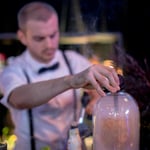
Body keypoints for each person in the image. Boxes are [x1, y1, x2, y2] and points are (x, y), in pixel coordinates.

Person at [0, 1, 120, 150]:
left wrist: (95, 99)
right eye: (40, 38)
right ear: (22, 37)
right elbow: (18, 99)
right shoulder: (13, 69)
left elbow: (95, 89)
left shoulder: (73, 60)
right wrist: (71, 81)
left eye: (53, 35)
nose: (49, 44)